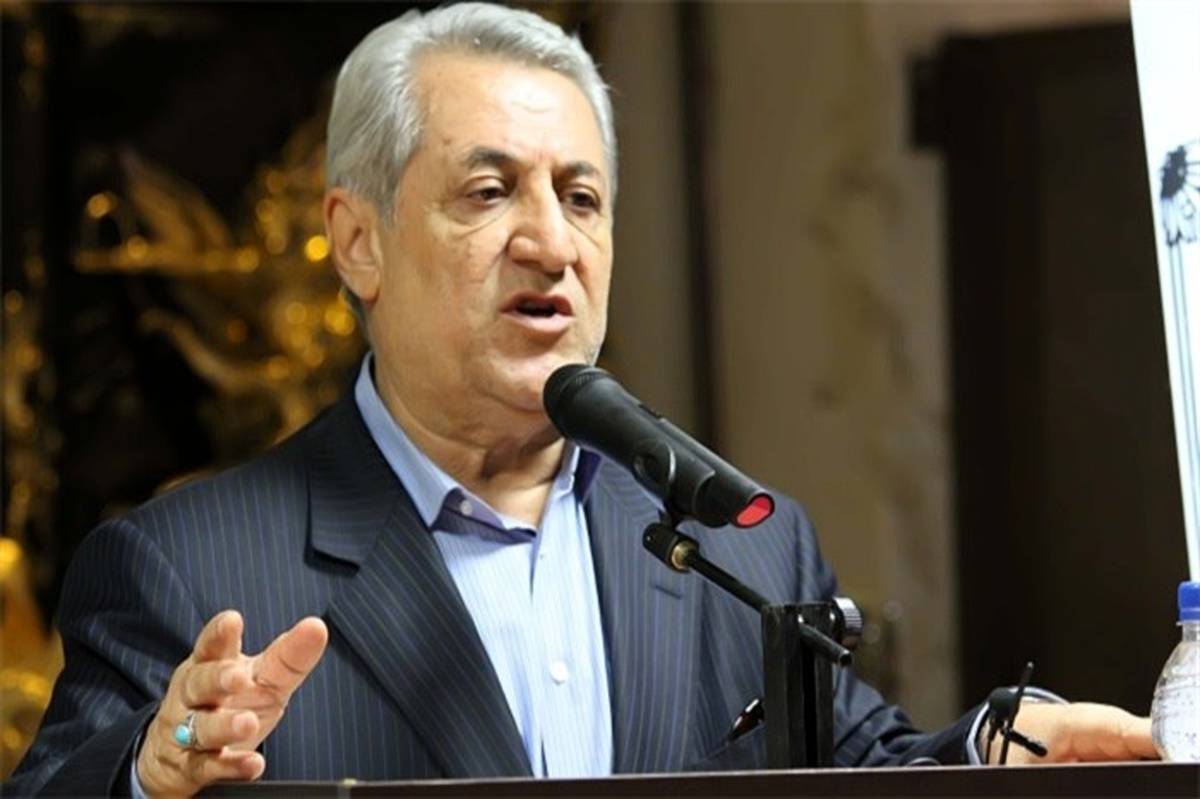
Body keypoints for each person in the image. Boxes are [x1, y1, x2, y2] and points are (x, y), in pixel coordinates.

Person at [5, 4, 1155, 797]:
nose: (552, 243)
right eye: (489, 190)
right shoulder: (186, 569)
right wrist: (150, 772)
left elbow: (857, 768)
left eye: (583, 197)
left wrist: (1000, 747)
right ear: (358, 241)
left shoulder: (739, 546)